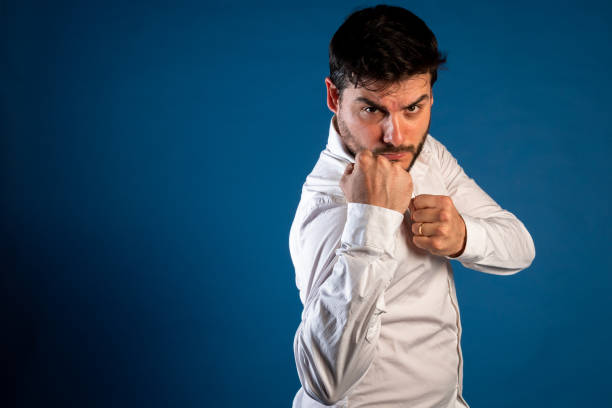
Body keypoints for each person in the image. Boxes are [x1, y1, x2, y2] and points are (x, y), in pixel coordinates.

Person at [288, 5, 535, 408]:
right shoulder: (328, 204)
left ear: (430, 97)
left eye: (413, 108)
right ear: (335, 97)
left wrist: (463, 237)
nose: (396, 135)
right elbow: (324, 384)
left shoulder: (425, 153)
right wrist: (371, 221)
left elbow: (520, 248)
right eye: (372, 109)